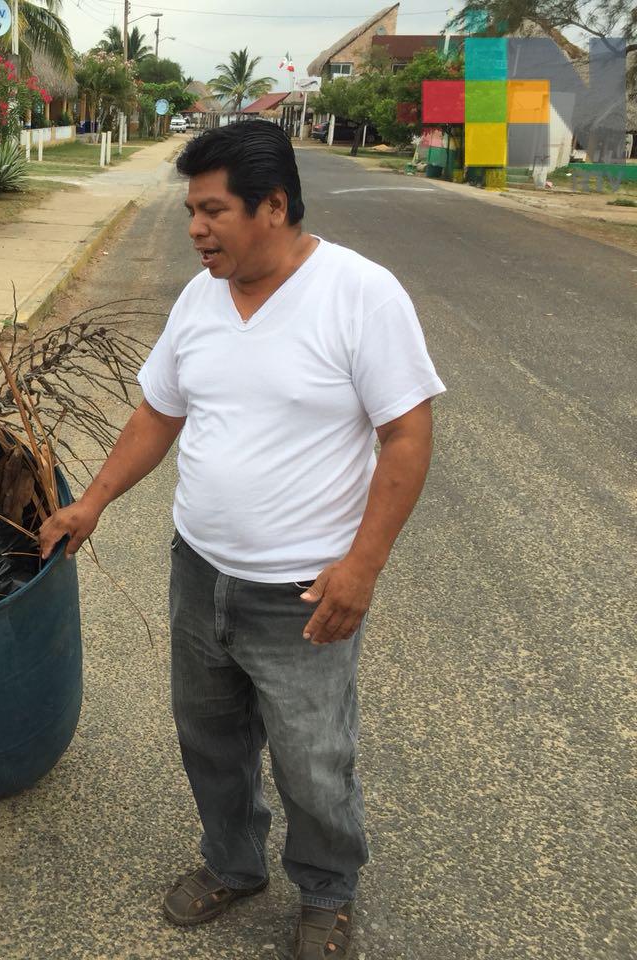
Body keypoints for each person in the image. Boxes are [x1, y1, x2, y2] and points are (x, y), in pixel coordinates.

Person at [38, 121, 444, 959]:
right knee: (211, 741)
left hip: (301, 594)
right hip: (200, 573)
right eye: (190, 210)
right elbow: (161, 411)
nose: (195, 229)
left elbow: (407, 434)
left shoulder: (360, 294)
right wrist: (97, 501)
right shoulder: (201, 298)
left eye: (212, 211)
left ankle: (327, 894)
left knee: (312, 760)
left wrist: (362, 567)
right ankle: (233, 863)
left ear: (274, 205)